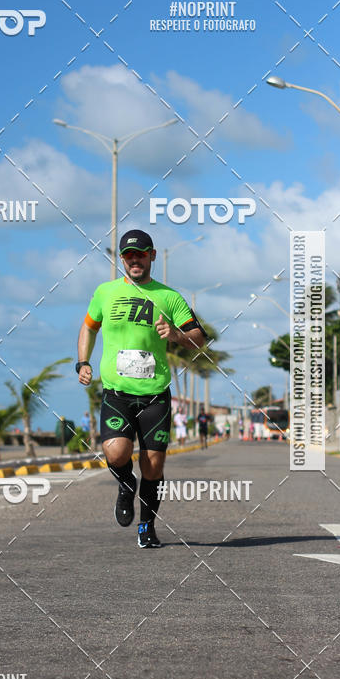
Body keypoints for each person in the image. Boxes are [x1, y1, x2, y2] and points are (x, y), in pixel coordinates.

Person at [77, 229, 207, 548]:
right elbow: (88, 327)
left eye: (140, 254)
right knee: (116, 452)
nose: (134, 260)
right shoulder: (105, 293)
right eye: (128, 255)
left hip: (155, 396)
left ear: (152, 256)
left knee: (154, 467)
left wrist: (176, 336)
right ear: (122, 259)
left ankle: (146, 526)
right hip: (117, 393)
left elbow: (200, 339)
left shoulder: (169, 297)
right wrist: (82, 362)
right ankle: (125, 485)